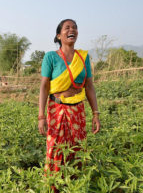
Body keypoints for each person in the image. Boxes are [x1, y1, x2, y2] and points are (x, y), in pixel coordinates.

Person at [38, 19, 100, 189]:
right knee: (56, 148)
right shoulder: (50, 57)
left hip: (78, 110)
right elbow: (44, 87)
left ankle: (75, 186)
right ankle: (54, 187)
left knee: (77, 147)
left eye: (74, 27)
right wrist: (41, 116)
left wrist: (96, 114)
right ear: (59, 35)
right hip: (56, 109)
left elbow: (89, 87)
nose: (72, 30)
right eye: (67, 28)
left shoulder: (83, 57)